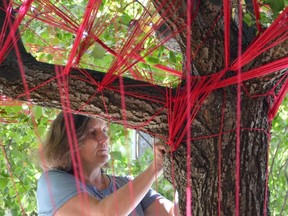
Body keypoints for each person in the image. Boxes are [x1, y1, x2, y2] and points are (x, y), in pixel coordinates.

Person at [36, 112, 179, 216]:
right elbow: (104, 213)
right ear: (69, 141)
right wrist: (154, 168)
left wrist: (187, 180)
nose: (105, 138)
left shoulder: (127, 184)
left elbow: (174, 213)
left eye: (104, 130)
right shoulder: (51, 182)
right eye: (92, 132)